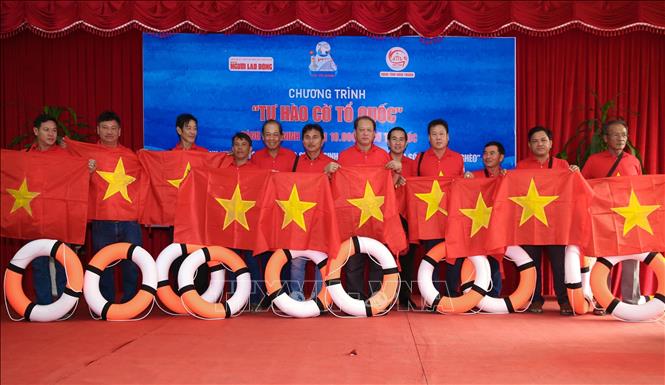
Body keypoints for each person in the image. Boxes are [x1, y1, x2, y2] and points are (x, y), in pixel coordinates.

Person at [327, 116, 401, 299]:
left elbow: (389, 187)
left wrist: (397, 171)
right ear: (354, 133)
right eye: (361, 130)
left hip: (377, 218)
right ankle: (356, 300)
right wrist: (330, 174)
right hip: (353, 219)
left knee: (378, 263)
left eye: (369, 130)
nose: (365, 133)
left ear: (375, 134)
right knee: (353, 264)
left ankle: (376, 300)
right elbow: (340, 188)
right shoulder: (344, 156)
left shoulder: (384, 156)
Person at [582, 119, 642, 314]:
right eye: (616, 135)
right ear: (606, 138)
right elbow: (583, 187)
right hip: (604, 219)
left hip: (630, 218)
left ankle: (631, 303)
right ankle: (604, 301)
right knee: (604, 261)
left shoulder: (633, 161)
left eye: (624, 135)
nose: (620, 138)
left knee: (632, 260)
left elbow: (640, 190)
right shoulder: (594, 160)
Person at [516, 125, 578, 315]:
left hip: (555, 225)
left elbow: (572, 192)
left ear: (551, 143)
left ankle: (564, 300)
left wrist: (575, 173)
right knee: (531, 265)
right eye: (535, 141)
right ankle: (535, 300)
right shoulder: (522, 166)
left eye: (543, 140)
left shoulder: (563, 166)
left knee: (560, 266)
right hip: (530, 223)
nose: (539, 144)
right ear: (529, 145)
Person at [87, 111, 141, 303]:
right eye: (105, 128)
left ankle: (131, 303)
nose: (109, 132)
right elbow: (71, 183)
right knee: (103, 265)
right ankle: (105, 304)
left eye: (113, 128)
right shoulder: (87, 155)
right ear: (97, 130)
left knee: (132, 265)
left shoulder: (131, 156)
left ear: (120, 131)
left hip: (129, 220)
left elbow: (147, 180)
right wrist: (85, 172)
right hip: (102, 219)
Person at [415, 118, 465, 297]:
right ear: (428, 137)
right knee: (431, 258)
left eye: (441, 134)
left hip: (453, 217)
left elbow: (464, 189)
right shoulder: (420, 158)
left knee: (455, 257)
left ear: (448, 137)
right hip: (430, 218)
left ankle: (453, 294)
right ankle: (432, 297)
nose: (438, 138)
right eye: (434, 134)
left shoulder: (458, 158)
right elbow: (414, 188)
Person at [222, 132, 266, 310]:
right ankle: (235, 299)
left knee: (252, 263)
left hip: (250, 224)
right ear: (232, 148)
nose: (240, 148)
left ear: (250, 149)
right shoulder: (223, 171)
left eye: (244, 145)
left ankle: (257, 299)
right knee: (231, 262)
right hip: (229, 222)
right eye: (237, 144)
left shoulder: (258, 172)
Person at [289, 123, 334, 301]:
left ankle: (319, 298)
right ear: (302, 140)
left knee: (321, 261)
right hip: (298, 218)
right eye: (307, 137)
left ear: (323, 140)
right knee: (297, 261)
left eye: (315, 137)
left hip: (322, 220)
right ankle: (296, 296)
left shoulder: (332, 165)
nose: (311, 141)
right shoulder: (294, 162)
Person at [27, 113, 67, 304]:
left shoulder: (66, 156)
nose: (51, 134)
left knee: (62, 262)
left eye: (54, 130)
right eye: (46, 130)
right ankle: (43, 304)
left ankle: (63, 304)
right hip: (34, 217)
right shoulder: (24, 156)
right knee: (39, 263)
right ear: (36, 131)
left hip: (59, 217)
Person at [169, 113, 209, 294]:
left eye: (195, 128)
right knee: (178, 256)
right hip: (176, 216)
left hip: (198, 216)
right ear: (179, 130)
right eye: (188, 128)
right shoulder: (169, 156)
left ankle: (201, 293)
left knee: (200, 256)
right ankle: (180, 294)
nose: (192, 132)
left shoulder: (204, 155)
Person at [464, 141, 508, 296]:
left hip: (499, 226)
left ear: (501, 157)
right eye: (485, 153)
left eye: (492, 153)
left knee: (495, 257)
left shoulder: (508, 177)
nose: (487, 157)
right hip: (478, 224)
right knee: (476, 260)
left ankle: (494, 294)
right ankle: (472, 294)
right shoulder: (474, 176)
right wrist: (465, 181)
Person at [387, 127, 417, 308]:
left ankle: (405, 297)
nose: (397, 142)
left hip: (408, 216)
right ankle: (386, 296)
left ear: (406, 143)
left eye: (401, 139)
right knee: (386, 259)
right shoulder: (382, 163)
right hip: (387, 216)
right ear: (388, 142)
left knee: (408, 259)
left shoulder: (413, 165)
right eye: (394, 139)